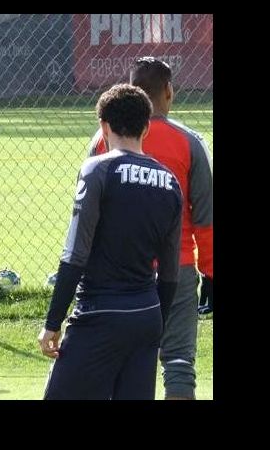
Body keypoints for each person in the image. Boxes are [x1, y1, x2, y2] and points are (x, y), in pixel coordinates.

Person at [38, 84, 182, 400]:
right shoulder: (170, 182)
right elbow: (171, 272)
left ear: (104, 128)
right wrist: (157, 328)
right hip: (146, 316)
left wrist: (53, 322)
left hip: (98, 315)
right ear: (146, 127)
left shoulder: (97, 169)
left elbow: (75, 253)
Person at [87, 57, 213, 399]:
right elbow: (206, 218)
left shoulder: (103, 140)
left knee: (116, 362)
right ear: (169, 92)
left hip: (118, 273)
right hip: (179, 269)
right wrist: (210, 273)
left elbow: (88, 214)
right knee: (179, 363)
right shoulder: (190, 143)